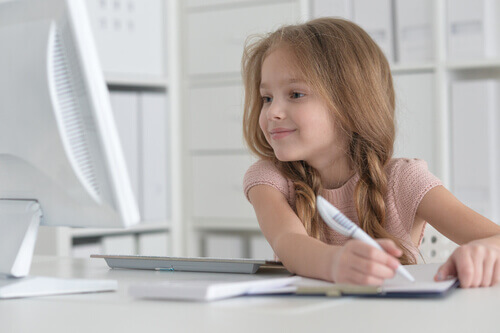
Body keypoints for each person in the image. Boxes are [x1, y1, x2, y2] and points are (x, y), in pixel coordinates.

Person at [241, 17, 500, 288]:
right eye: (266, 98)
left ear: (352, 103)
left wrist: (487, 252)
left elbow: (494, 238)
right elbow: (288, 243)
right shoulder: (268, 179)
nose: (272, 112)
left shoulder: (404, 179)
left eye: (295, 94)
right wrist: (336, 262)